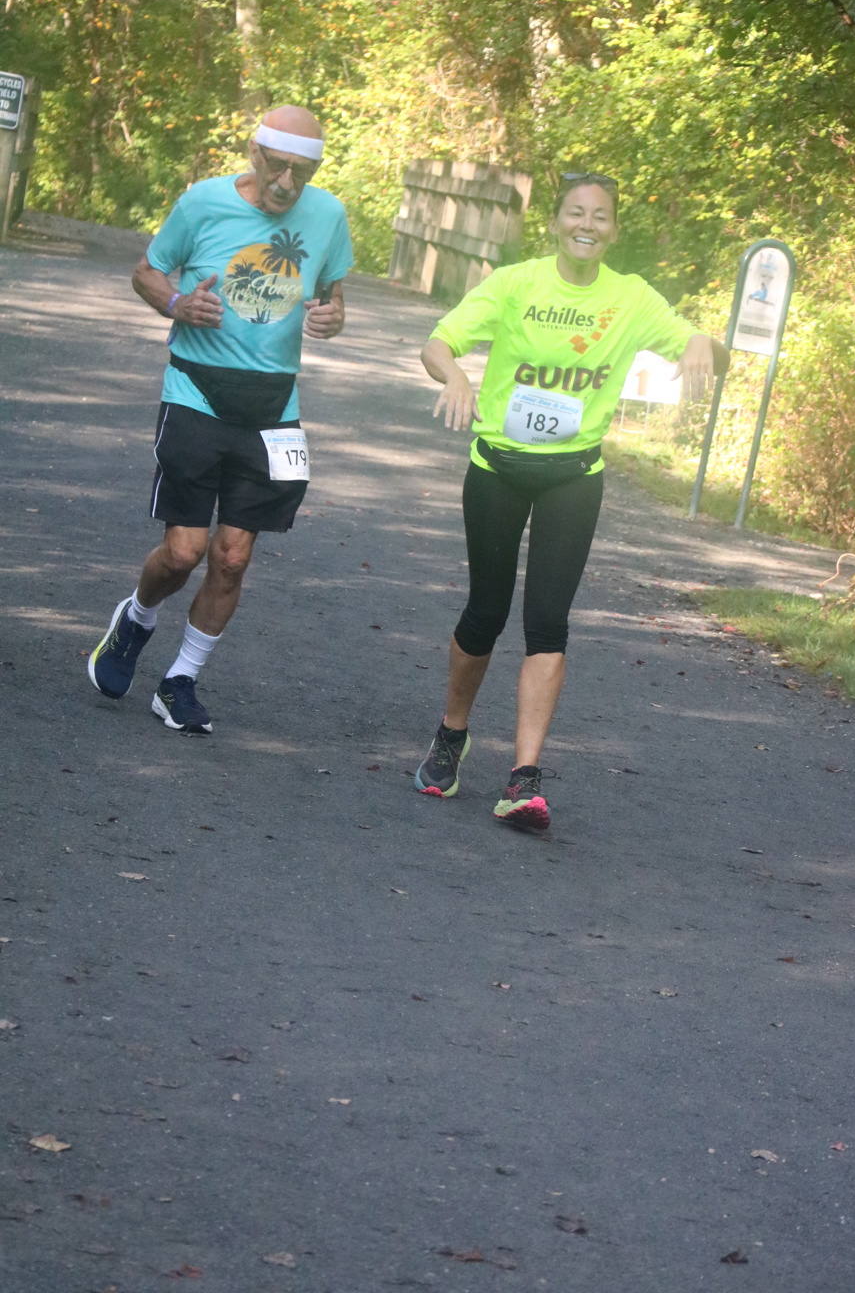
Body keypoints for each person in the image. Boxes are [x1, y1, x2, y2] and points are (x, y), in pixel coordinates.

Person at [413, 171, 728, 830]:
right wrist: (456, 375)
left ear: (614, 230)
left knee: (548, 620)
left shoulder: (630, 297)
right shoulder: (516, 283)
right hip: (498, 467)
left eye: (600, 216)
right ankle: (452, 732)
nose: (587, 224)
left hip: (572, 476)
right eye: (576, 213)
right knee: (486, 612)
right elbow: (437, 342)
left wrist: (703, 341)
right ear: (556, 222)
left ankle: (524, 778)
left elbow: (696, 347)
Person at [88, 105, 352, 733]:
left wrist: (334, 316)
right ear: (254, 153)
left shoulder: (329, 215)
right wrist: (178, 303)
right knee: (184, 553)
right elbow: (146, 273)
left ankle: (179, 680)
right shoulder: (203, 202)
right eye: (278, 166)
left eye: (303, 171)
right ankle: (136, 619)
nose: (287, 182)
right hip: (196, 391)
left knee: (232, 558)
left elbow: (334, 296)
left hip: (273, 407)